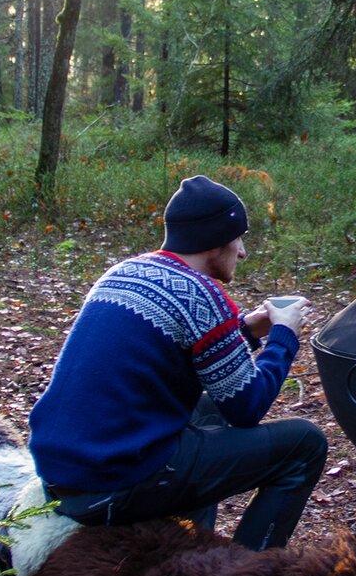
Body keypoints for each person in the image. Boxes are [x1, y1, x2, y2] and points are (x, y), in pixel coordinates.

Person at [27, 175, 328, 551]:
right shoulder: (201, 294)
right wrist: (284, 336)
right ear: (217, 240)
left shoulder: (125, 272)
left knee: (206, 411)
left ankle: (188, 551)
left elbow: (183, 354)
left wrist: (246, 330)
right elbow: (248, 407)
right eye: (238, 238)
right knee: (305, 444)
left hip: (66, 473)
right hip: (114, 483)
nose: (243, 251)